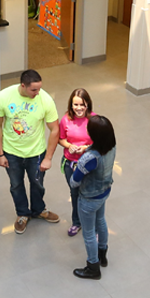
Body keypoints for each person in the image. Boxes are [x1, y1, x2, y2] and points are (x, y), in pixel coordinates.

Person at [0, 69, 61, 234]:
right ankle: (22, 213)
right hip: (11, 152)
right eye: (34, 90)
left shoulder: (45, 99)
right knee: (16, 185)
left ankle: (38, 210)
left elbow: (55, 129)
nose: (37, 93)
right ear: (23, 86)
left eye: (39, 89)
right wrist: (0, 154)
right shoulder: (3, 97)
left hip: (36, 154)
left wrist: (49, 158)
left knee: (37, 183)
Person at [69, 115, 117, 280]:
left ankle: (93, 266)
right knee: (101, 221)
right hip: (104, 192)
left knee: (89, 233)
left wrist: (76, 166)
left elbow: (74, 182)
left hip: (88, 199)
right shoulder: (112, 147)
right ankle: (103, 255)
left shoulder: (90, 158)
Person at [57, 88, 96, 237]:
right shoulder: (66, 119)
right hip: (70, 163)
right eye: (75, 105)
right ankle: (77, 222)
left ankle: (91, 224)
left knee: (88, 193)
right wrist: (69, 146)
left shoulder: (94, 120)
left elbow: (99, 142)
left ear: (88, 104)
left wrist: (86, 148)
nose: (78, 108)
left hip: (88, 164)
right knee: (75, 193)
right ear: (71, 105)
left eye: (82, 104)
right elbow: (61, 138)